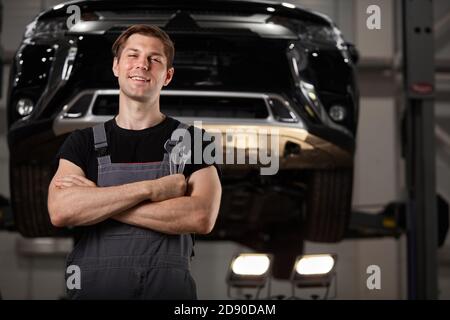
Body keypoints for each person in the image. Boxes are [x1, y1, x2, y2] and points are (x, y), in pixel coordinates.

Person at [47, 24, 222, 300]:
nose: (142, 65)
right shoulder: (81, 143)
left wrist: (98, 200)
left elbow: (201, 216)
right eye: (133, 55)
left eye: (155, 59)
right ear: (116, 66)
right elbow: (61, 210)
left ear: (167, 75)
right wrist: (152, 191)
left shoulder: (196, 141)